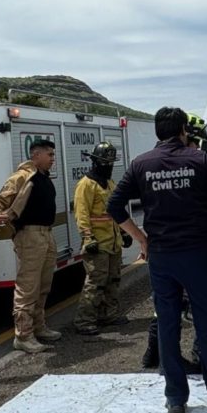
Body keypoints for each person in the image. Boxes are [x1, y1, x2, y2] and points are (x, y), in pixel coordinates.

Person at [108, 107, 207, 413]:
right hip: (198, 253)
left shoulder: (141, 164)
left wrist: (142, 239)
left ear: (157, 132)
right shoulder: (200, 160)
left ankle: (176, 400)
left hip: (162, 257)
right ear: (182, 131)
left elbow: (114, 205)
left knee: (167, 325)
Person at [141, 113, 207, 369]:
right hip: (190, 249)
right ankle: (192, 358)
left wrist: (144, 239)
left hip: (162, 250)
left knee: (166, 308)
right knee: (194, 308)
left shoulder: (149, 163)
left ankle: (155, 355)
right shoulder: (198, 161)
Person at [0, 139, 63, 354]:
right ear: (36, 155)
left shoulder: (44, 178)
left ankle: (39, 327)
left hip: (46, 234)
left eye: (53, 155)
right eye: (50, 155)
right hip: (30, 236)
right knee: (28, 287)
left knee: (44, 285)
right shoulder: (22, 177)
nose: (52, 159)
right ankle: (23, 335)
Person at [71, 142, 128, 335]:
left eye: (111, 163)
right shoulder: (86, 185)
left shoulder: (109, 183)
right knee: (95, 282)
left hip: (113, 242)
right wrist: (88, 239)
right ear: (95, 162)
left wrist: (124, 232)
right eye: (105, 163)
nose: (109, 166)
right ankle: (84, 320)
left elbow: (114, 212)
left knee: (113, 280)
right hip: (98, 243)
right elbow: (81, 214)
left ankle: (108, 315)